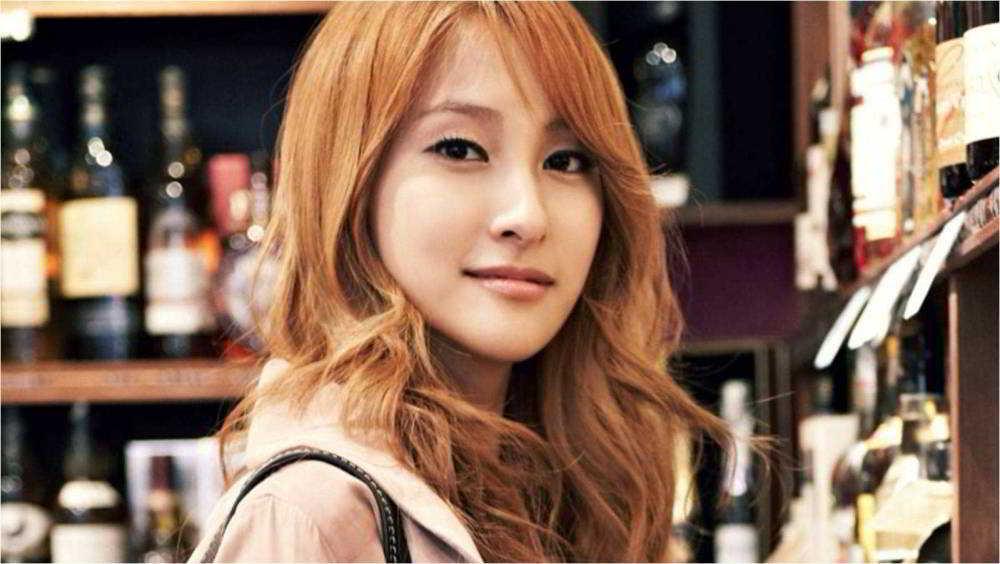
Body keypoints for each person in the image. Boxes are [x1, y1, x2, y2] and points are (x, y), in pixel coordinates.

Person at [190, 2, 737, 562]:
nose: (528, 216)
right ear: (348, 181)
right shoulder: (314, 515)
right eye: (459, 149)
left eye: (567, 160)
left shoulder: (576, 486)